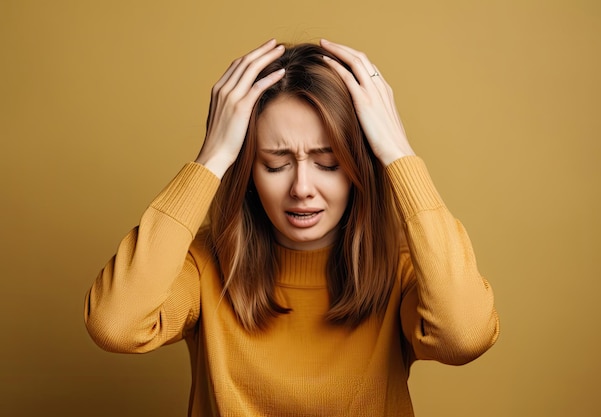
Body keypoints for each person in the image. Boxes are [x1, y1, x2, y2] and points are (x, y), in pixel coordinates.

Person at [84, 38, 500, 416]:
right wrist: (211, 158)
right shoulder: (203, 266)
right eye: (276, 164)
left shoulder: (403, 271)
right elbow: (115, 324)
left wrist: (397, 153)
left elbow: (464, 336)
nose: (302, 188)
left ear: (358, 169)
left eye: (328, 163)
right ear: (248, 171)